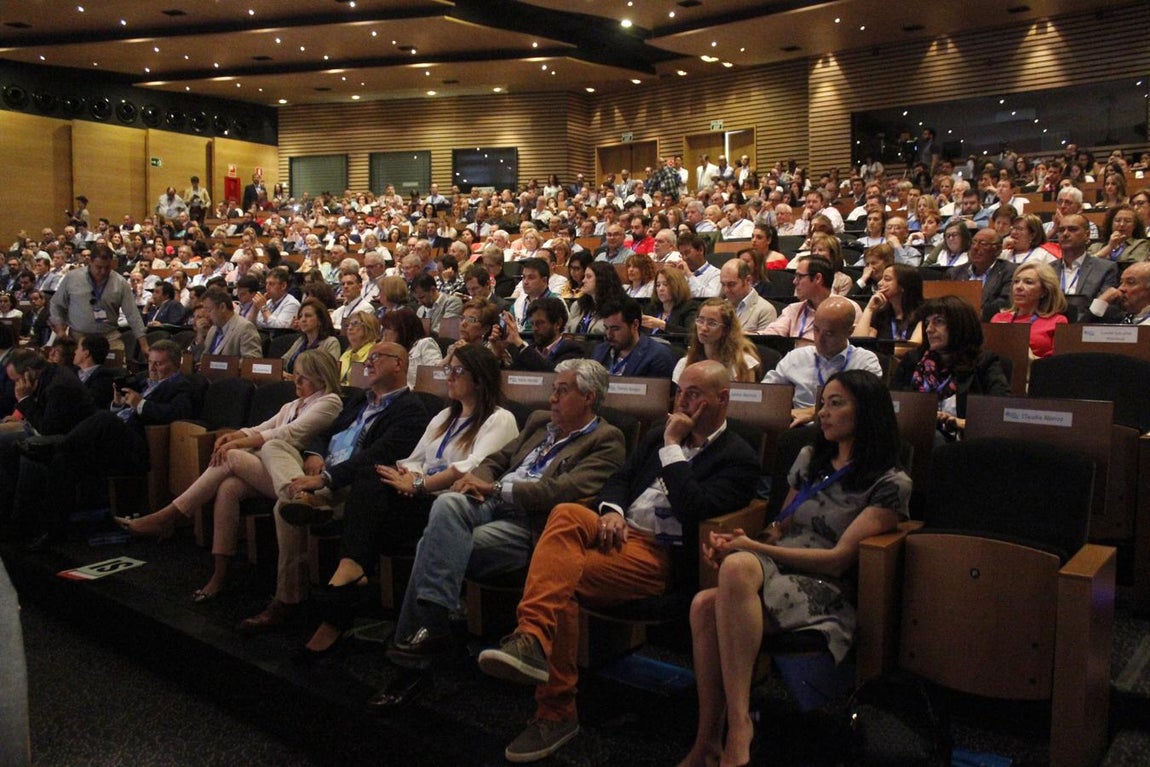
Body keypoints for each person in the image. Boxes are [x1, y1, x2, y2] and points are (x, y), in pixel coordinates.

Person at [477, 360, 759, 763]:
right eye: (681, 390)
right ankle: (533, 639)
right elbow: (621, 479)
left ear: (723, 398)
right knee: (565, 515)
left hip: (658, 554)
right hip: (618, 531)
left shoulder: (737, 456)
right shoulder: (661, 434)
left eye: (695, 393)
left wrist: (673, 449)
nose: (684, 399)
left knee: (562, 581)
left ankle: (554, 708)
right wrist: (611, 510)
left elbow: (695, 509)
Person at [676, 369, 910, 767]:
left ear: (868, 412)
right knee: (709, 596)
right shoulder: (810, 458)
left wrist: (749, 549)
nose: (823, 413)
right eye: (822, 403)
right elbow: (780, 526)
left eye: (836, 404)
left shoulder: (890, 482)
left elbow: (839, 558)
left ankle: (736, 730)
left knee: (712, 597)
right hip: (778, 568)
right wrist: (740, 541)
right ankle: (709, 740)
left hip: (825, 586)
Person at [369, 359, 625, 712]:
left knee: (437, 545)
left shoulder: (607, 440)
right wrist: (478, 481)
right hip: (487, 502)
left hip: (528, 524)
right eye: (552, 389)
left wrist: (493, 489)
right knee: (446, 507)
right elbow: (498, 458)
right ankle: (437, 627)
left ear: (589, 398)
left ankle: (415, 658)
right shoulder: (539, 422)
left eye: (562, 391)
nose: (551, 399)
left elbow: (563, 491)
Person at [289, 345, 519, 661]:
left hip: (450, 509)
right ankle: (351, 572)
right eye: (446, 370)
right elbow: (414, 459)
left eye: (456, 371)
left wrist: (420, 484)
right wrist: (407, 477)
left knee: (366, 513)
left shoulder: (500, 419)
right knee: (372, 477)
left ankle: (344, 589)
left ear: (479, 379)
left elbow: (473, 468)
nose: (448, 376)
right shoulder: (443, 416)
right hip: (418, 497)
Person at [116, 350, 343, 603]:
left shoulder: (330, 401)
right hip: (275, 473)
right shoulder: (293, 404)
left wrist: (236, 444)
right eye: (296, 376)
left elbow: (290, 433)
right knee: (229, 487)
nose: (297, 383)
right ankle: (220, 572)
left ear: (322, 379)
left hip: (297, 475)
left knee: (232, 457)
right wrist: (235, 436)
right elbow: (263, 427)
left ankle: (170, 515)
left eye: (304, 378)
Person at [892, 296, 1011, 437]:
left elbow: (1000, 412)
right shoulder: (913, 360)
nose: (929, 329)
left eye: (938, 321)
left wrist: (962, 423)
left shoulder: (984, 363)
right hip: (916, 438)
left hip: (963, 444)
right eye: (927, 323)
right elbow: (893, 403)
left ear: (960, 325)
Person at [764, 296, 884, 425]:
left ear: (849, 332)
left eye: (829, 333)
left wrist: (813, 412)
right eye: (816, 329)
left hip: (846, 431)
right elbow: (766, 394)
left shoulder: (865, 362)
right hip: (799, 428)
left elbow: (867, 405)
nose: (819, 339)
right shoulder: (796, 358)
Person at [49, 244, 149, 355]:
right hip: (77, 338)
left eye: (107, 267)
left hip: (108, 337)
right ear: (90, 262)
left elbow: (132, 314)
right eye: (98, 267)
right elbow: (56, 304)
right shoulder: (72, 278)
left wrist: (144, 345)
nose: (103, 271)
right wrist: (60, 329)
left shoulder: (120, 283)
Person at [763, 256, 858, 340]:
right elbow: (770, 335)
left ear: (817, 278)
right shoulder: (793, 310)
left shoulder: (849, 308)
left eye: (799, 276)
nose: (794, 282)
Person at [673, 298, 761, 384]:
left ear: (726, 329)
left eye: (712, 323)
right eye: (700, 321)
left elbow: (747, 397)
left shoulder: (742, 364)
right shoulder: (684, 363)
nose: (703, 328)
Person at [991, 261, 1068, 359]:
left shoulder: (1057, 321)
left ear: (1044, 291)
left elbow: (1057, 363)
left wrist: (1030, 358)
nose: (1019, 287)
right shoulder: (998, 318)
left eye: (1028, 282)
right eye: (1016, 281)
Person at [589, 298, 676, 378]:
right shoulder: (600, 351)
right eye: (606, 328)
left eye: (615, 329)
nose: (609, 335)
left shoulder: (658, 357)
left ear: (635, 325)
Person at [498, 297, 585, 372]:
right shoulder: (530, 350)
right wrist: (498, 351)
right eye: (532, 323)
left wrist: (519, 343)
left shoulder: (572, 350)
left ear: (558, 323)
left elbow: (553, 374)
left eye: (540, 323)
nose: (534, 328)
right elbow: (511, 376)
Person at [946, 227, 1014, 320]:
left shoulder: (1009, 271)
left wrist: (976, 315)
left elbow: (1005, 302)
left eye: (983, 244)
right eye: (973, 242)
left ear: (997, 250)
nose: (975, 247)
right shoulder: (954, 273)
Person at [854, 263, 924, 342]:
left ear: (903, 285)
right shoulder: (881, 315)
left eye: (887, 279)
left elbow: (913, 347)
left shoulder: (923, 314)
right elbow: (859, 342)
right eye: (881, 279)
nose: (879, 283)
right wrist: (869, 309)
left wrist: (881, 349)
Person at [380, 307, 442, 388]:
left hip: (418, 396)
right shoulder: (391, 352)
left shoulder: (424, 344)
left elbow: (435, 375)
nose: (384, 333)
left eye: (387, 328)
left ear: (403, 330)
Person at [280, 298, 341, 376]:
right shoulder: (301, 341)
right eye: (300, 316)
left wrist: (295, 378)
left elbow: (329, 373)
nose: (303, 320)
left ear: (320, 320)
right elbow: (282, 363)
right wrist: (282, 373)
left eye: (308, 316)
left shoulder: (331, 342)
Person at [566, 261, 628, 335]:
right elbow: (567, 332)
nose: (583, 281)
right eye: (584, 277)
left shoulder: (619, 307)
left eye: (588, 277)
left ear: (602, 280)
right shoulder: (577, 306)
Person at [200, 286, 263, 359]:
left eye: (209, 310)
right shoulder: (212, 330)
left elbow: (251, 361)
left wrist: (226, 365)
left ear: (222, 307)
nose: (206, 315)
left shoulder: (245, 328)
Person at [720, 258, 777, 333]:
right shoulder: (719, 308)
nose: (726, 290)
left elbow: (763, 344)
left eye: (731, 284)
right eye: (723, 284)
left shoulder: (765, 310)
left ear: (748, 280)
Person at [1086, 261, 1150, 325]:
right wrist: (1100, 302)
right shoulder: (1119, 317)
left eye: (1130, 282)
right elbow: (1080, 331)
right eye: (1121, 283)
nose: (1120, 288)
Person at [642, 266, 696, 337]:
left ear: (677, 286)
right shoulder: (651, 308)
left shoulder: (689, 307)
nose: (661, 289)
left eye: (665, 284)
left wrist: (662, 325)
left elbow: (691, 335)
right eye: (658, 285)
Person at [338, 310, 379, 384]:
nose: (349, 328)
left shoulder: (374, 354)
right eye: (348, 325)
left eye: (355, 324)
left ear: (368, 327)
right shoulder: (346, 355)